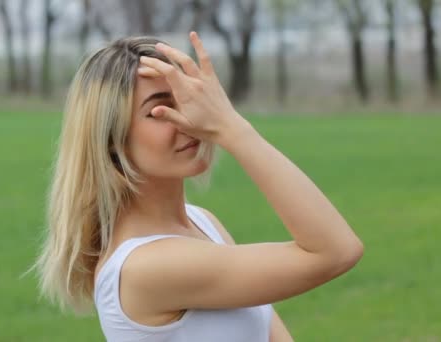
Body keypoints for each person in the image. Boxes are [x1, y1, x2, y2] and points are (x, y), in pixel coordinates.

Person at [32, 31, 364, 341]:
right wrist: (230, 126)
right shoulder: (145, 267)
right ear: (112, 142)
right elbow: (335, 252)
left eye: (186, 99)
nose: (190, 121)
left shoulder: (202, 222)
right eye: (160, 110)